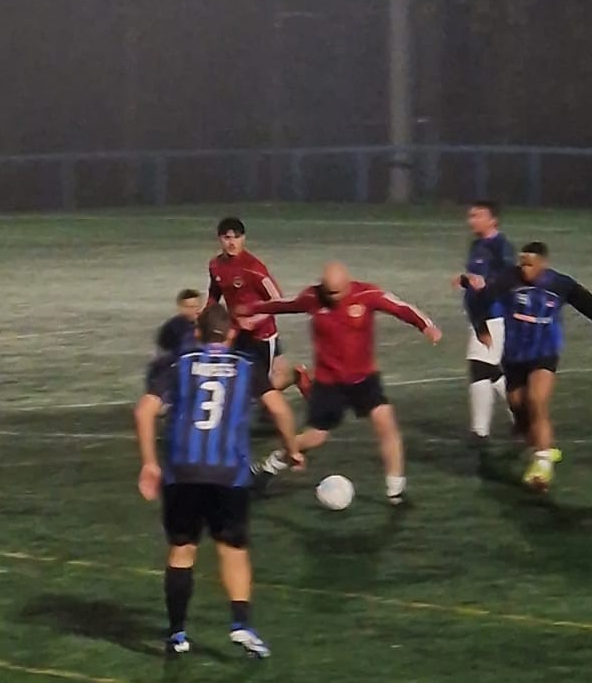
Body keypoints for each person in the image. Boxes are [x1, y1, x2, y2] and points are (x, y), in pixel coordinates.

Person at [135, 304, 303, 657]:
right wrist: (291, 449)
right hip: (229, 474)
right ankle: (241, 624)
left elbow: (144, 410)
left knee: (182, 549)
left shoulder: (177, 364)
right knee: (232, 549)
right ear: (231, 333)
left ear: (197, 333)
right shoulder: (247, 366)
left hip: (182, 472)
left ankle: (177, 633)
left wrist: (149, 463)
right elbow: (279, 409)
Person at [247, 260, 442, 506]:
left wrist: (426, 326)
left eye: (337, 292)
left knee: (386, 423)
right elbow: (286, 305)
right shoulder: (312, 297)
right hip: (328, 384)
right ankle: (268, 467)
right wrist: (253, 308)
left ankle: (395, 492)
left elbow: (400, 307)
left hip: (364, 380)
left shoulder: (367, 294)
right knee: (315, 437)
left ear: (348, 284)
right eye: (328, 292)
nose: (332, 298)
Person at [463, 241, 592, 489]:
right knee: (518, 406)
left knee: (537, 400)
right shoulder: (508, 280)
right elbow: (479, 300)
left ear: (543, 264)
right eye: (522, 263)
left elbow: (591, 306)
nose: (524, 269)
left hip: (545, 353)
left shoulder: (560, 284)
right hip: (515, 356)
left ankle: (543, 467)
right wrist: (481, 328)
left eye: (530, 264)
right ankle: (542, 447)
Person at [206, 215, 305, 394]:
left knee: (265, 387)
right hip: (236, 331)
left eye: (236, 237)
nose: (232, 243)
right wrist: (206, 315)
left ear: (243, 239)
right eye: (227, 238)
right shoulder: (215, 265)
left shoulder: (253, 268)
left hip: (262, 334)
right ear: (219, 239)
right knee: (232, 376)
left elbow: (277, 300)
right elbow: (214, 292)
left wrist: (255, 320)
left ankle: (295, 375)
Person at [453, 200, 516, 449]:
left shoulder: (502, 246)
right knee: (490, 370)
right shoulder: (476, 245)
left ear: (493, 219)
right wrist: (465, 280)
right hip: (479, 315)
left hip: (495, 315)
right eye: (470, 216)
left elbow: (510, 277)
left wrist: (487, 283)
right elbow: (476, 279)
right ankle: (522, 414)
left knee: (479, 367)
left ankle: (480, 432)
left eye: (478, 215)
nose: (472, 220)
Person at [155, 289, 202, 356]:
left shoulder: (204, 324)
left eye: (196, 306)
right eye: (189, 307)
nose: (194, 310)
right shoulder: (171, 328)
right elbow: (163, 354)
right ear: (180, 307)